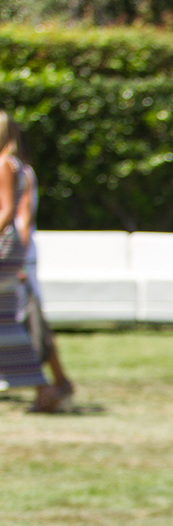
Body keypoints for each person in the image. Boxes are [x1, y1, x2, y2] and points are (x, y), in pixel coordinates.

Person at [10, 122, 72, 412]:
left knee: (23, 323)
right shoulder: (22, 169)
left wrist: (16, 258)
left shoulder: (12, 169)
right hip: (21, 255)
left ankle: (49, 387)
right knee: (30, 321)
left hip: (17, 256)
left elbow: (18, 217)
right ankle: (57, 383)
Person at [0, 111, 49, 404]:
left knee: (6, 320)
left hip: (3, 246)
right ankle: (44, 388)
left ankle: (45, 387)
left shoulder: (4, 164)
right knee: (6, 320)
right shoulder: (16, 164)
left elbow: (7, 210)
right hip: (11, 247)